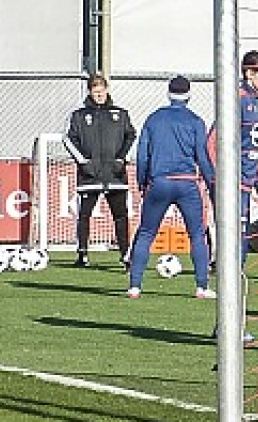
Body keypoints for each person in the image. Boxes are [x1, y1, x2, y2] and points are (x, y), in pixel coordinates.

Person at [126, 77, 215, 299]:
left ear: (168, 94)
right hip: (186, 182)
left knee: (146, 233)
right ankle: (201, 287)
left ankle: (135, 286)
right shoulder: (195, 121)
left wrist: (142, 182)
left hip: (159, 182)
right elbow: (202, 157)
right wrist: (212, 182)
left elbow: (143, 154)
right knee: (196, 234)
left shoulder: (154, 120)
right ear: (188, 95)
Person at [64, 73, 136, 268]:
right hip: (90, 176)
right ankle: (82, 254)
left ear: (106, 90)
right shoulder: (79, 116)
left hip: (115, 175)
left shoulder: (120, 114)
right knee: (84, 214)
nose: (99, 95)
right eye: (95, 92)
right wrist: (83, 162)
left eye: (101, 91)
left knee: (120, 215)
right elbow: (69, 140)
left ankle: (125, 255)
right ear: (89, 92)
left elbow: (131, 137)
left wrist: (121, 159)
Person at [210, 50, 258, 265]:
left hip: (246, 180)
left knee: (242, 230)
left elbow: (249, 147)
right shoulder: (237, 100)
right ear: (249, 73)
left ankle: (233, 272)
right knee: (235, 230)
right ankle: (226, 273)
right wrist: (217, 176)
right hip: (232, 181)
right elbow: (212, 141)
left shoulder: (255, 102)